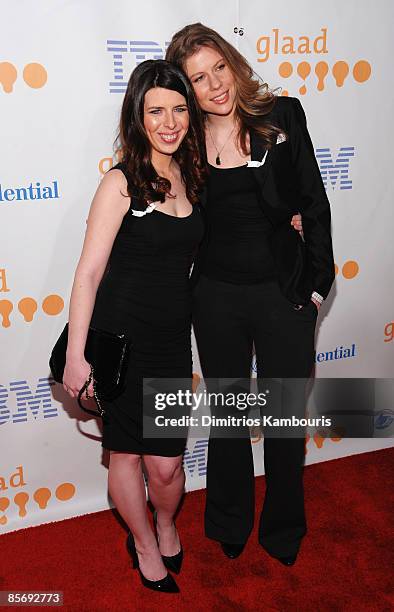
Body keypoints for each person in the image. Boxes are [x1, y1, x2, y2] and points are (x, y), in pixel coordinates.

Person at [166, 24, 335, 566]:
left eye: (219, 68)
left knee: (286, 422)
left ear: (233, 63)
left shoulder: (281, 116)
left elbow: (315, 203)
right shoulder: (184, 141)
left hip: (281, 293)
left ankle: (284, 528)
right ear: (186, 89)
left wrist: (314, 288)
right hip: (215, 298)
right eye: (199, 78)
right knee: (231, 418)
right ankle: (229, 519)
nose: (215, 85)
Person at [62, 60, 206, 593]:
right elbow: (88, 273)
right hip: (118, 342)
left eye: (178, 109)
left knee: (166, 467)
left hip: (170, 342)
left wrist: (292, 220)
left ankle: (165, 521)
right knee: (124, 452)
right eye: (155, 111)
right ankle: (144, 543)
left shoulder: (193, 176)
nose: (169, 122)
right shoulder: (121, 182)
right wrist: (78, 357)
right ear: (137, 115)